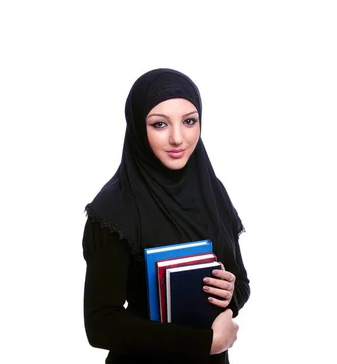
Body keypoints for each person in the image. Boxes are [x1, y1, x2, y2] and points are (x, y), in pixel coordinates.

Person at [82, 68, 250, 364]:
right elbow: (100, 324)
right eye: (159, 124)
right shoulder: (113, 209)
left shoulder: (211, 191)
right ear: (137, 127)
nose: (177, 138)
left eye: (189, 121)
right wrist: (203, 343)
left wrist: (229, 294)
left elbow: (242, 284)